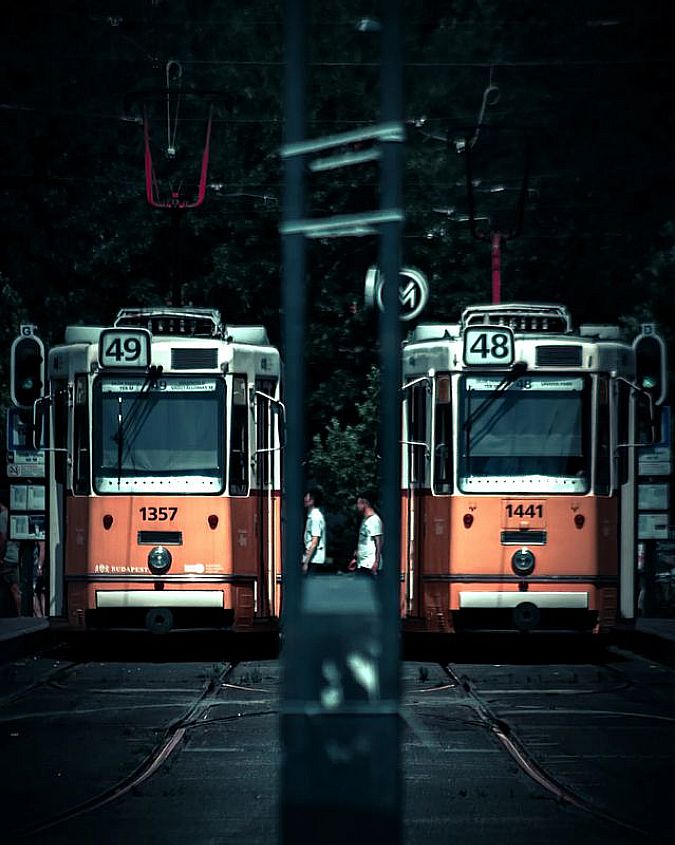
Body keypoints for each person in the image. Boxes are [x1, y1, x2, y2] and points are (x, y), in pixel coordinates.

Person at [0, 500, 21, 616]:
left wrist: (1, 556)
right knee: (15, 588)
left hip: (7, 557)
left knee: (13, 588)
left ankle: (18, 614)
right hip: (16, 555)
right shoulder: (14, 515)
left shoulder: (3, 517)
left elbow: (2, 539)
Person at [302, 487, 330, 574]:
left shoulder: (315, 518)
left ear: (312, 500)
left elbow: (314, 542)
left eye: (306, 497)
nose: (304, 499)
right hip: (311, 559)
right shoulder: (312, 516)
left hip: (314, 560)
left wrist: (306, 562)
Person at [354, 491, 383, 576]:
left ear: (365, 503)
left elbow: (379, 542)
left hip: (370, 563)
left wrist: (376, 562)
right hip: (362, 562)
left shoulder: (374, 520)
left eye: (359, 503)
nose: (357, 506)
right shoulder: (365, 520)